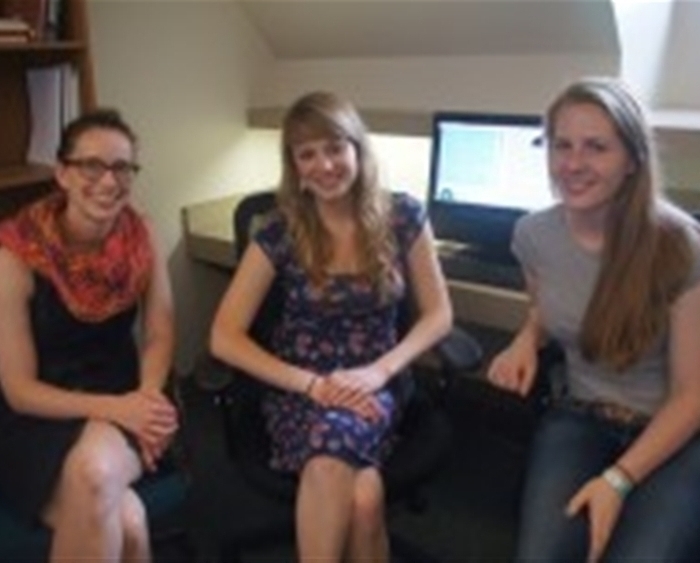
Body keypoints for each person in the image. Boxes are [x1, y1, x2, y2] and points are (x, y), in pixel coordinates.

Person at [209, 91, 452, 562]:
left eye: (335, 147)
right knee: (364, 501)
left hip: (375, 385)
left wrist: (381, 371)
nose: (325, 165)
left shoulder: (403, 216)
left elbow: (440, 315)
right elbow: (223, 336)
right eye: (308, 154)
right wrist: (313, 386)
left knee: (334, 458)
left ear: (357, 149)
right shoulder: (279, 233)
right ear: (295, 167)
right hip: (298, 389)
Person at [487, 76, 700, 562]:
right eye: (562, 145)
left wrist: (617, 481)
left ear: (632, 160)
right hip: (580, 416)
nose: (573, 164)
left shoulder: (680, 246)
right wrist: (526, 336)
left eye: (596, 147)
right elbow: (547, 305)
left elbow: (693, 394)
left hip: (671, 432)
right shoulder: (533, 236)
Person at [0, 109, 178, 563]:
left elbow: (160, 331)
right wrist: (123, 410)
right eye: (91, 166)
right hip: (36, 416)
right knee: (128, 523)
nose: (108, 181)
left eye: (122, 167)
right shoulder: (15, 253)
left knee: (100, 480)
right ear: (62, 173)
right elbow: (19, 392)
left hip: (128, 397)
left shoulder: (143, 235)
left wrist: (149, 400)